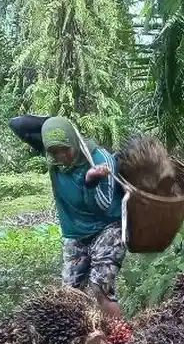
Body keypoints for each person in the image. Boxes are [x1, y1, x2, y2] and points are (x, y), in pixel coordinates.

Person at [12, 115, 128, 321]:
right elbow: (17, 124)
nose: (61, 156)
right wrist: (54, 125)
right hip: (74, 233)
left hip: (108, 227)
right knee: (70, 294)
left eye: (65, 149)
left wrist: (91, 181)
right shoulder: (53, 157)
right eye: (54, 151)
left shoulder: (100, 159)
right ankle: (84, 339)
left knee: (100, 288)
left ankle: (122, 342)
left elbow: (103, 206)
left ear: (74, 142)